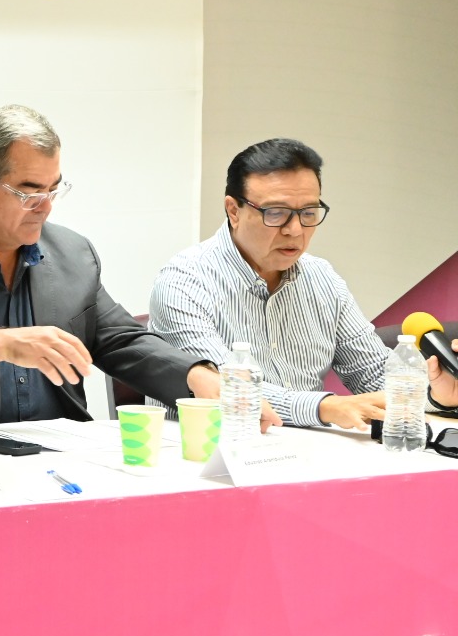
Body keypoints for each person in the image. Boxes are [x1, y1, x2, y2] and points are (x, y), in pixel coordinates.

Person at [0, 104, 243, 430]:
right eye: (28, 191)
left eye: (53, 189)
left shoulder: (73, 252)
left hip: (61, 455)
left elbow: (121, 341)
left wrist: (195, 374)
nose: (46, 207)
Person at [149, 138, 458, 427]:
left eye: (308, 212)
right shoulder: (183, 283)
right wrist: (324, 407)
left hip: (307, 451)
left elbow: (373, 374)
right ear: (234, 210)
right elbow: (226, 390)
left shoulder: (322, 279)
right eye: (276, 213)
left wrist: (436, 393)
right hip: (208, 453)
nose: (295, 230)